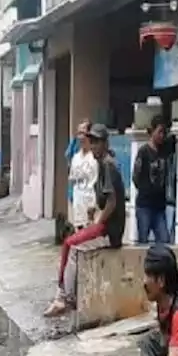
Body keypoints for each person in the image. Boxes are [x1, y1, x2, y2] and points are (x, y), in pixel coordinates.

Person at [45, 124, 126, 318]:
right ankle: (64, 294)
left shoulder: (107, 164)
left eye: (97, 141)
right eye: (92, 141)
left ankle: (65, 298)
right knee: (70, 243)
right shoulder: (102, 163)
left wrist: (99, 220)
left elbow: (113, 202)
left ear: (105, 143)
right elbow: (106, 199)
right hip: (106, 225)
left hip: (110, 230)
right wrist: (95, 210)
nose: (94, 145)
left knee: (72, 246)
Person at [132, 115, 172, 244]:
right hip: (145, 205)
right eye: (159, 131)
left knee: (164, 240)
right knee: (143, 242)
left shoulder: (164, 150)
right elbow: (136, 177)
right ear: (152, 131)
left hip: (160, 206)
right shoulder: (144, 152)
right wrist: (146, 189)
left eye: (164, 132)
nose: (162, 135)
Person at [68, 120, 98, 234]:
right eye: (78, 133)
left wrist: (93, 206)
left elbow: (97, 181)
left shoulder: (95, 157)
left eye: (83, 133)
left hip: (91, 204)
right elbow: (72, 179)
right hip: (78, 203)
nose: (80, 137)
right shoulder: (76, 157)